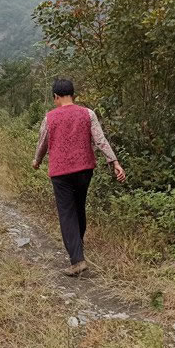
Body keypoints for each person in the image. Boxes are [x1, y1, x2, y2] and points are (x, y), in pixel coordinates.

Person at [32, 79, 126, 276]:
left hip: (60, 173)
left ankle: (77, 260)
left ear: (56, 97)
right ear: (72, 94)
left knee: (67, 213)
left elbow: (43, 143)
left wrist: (37, 161)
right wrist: (114, 162)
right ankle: (78, 246)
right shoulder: (87, 113)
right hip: (84, 170)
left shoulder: (50, 118)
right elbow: (100, 140)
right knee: (79, 207)